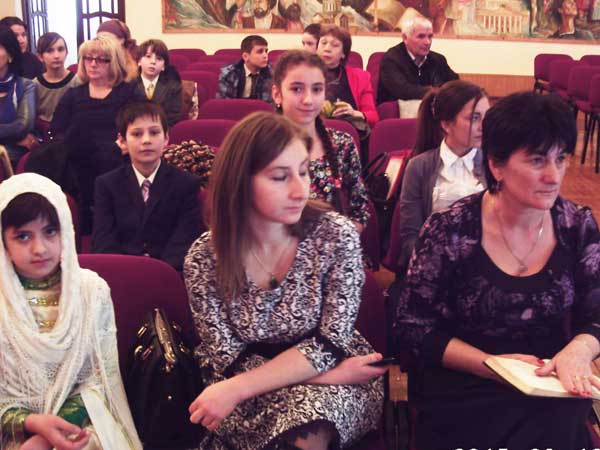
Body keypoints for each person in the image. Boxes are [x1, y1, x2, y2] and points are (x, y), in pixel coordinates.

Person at [393, 91, 600, 450]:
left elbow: (596, 312)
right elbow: (412, 327)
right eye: (537, 160)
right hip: (465, 380)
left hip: (546, 381)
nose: (553, 176)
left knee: (558, 427)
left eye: (561, 158)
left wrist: (579, 351)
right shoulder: (450, 229)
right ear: (496, 165)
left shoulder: (576, 226)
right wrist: (490, 364)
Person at [184, 111, 385, 450]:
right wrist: (331, 376)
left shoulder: (336, 236)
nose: (299, 190)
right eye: (280, 177)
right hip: (248, 380)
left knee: (312, 416)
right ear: (240, 182)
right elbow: (227, 358)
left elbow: (330, 341)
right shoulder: (204, 257)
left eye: (304, 172)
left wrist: (325, 377)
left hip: (326, 369)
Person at [0, 172, 142, 450]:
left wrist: (49, 435)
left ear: (66, 230)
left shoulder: (91, 292)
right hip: (12, 428)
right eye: (23, 236)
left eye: (50, 232)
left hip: (82, 421)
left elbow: (99, 381)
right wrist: (30, 423)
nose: (40, 248)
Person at [92, 101, 202, 272]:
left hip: (169, 274)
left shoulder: (186, 184)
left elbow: (184, 241)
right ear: (122, 141)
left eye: (154, 133)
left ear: (166, 138)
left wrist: (157, 274)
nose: (146, 140)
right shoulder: (107, 185)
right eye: (137, 134)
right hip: (121, 273)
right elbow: (104, 241)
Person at [50, 35, 143, 230]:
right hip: (79, 163)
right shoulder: (73, 95)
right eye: (88, 58)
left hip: (118, 160)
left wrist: (127, 145)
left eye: (101, 59)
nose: (93, 64)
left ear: (114, 62)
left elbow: (141, 126)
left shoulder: (129, 93)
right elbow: (57, 130)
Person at [394, 80, 489, 272]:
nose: (483, 126)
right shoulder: (419, 167)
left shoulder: (494, 165)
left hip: (483, 266)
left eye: (487, 117)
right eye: (474, 118)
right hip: (432, 266)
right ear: (446, 124)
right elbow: (411, 236)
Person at [272, 50, 371, 232]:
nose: (308, 100)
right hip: (273, 245)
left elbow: (360, 211)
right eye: (296, 89)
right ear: (277, 94)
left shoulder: (342, 144)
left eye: (317, 89)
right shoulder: (260, 146)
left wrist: (338, 243)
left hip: (332, 244)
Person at [377, 16, 458, 103]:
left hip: (432, 107)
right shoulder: (391, 59)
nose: (427, 42)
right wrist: (435, 91)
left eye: (430, 36)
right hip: (398, 108)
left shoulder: (438, 59)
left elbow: (455, 84)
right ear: (405, 38)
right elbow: (404, 91)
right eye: (421, 37)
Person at [317, 25, 378, 132]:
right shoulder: (303, 74)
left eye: (335, 45)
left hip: (348, 132)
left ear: (343, 54)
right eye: (323, 43)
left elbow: (373, 116)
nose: (327, 49)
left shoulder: (360, 77)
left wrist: (354, 113)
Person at [0, 25, 36, 171]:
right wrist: (12, 137)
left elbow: (22, 126)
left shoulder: (25, 85)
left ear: (10, 54)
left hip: (14, 157)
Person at [34, 32, 80, 124]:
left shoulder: (77, 81)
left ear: (66, 53)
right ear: (40, 57)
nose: (56, 56)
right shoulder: (35, 85)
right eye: (49, 51)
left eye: (60, 49)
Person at [135, 39, 182, 127]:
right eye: (148, 56)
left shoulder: (173, 86)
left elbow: (174, 116)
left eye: (159, 59)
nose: (153, 62)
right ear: (139, 61)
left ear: (164, 66)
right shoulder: (129, 85)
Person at [217, 35, 273, 103]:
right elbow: (224, 103)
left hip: (262, 109)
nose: (265, 55)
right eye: (260, 52)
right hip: (236, 108)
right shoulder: (229, 73)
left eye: (266, 51)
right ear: (245, 56)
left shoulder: (272, 72)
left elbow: (270, 103)